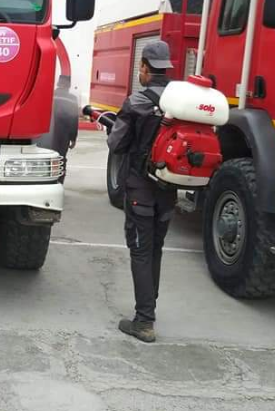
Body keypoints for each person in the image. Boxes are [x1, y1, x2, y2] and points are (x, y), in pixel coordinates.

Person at [107, 40, 176, 343]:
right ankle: (150, 307)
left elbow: (116, 144)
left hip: (140, 189)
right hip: (168, 189)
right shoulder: (180, 101)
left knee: (140, 251)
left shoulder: (136, 102)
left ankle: (144, 321)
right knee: (155, 248)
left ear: (145, 67)